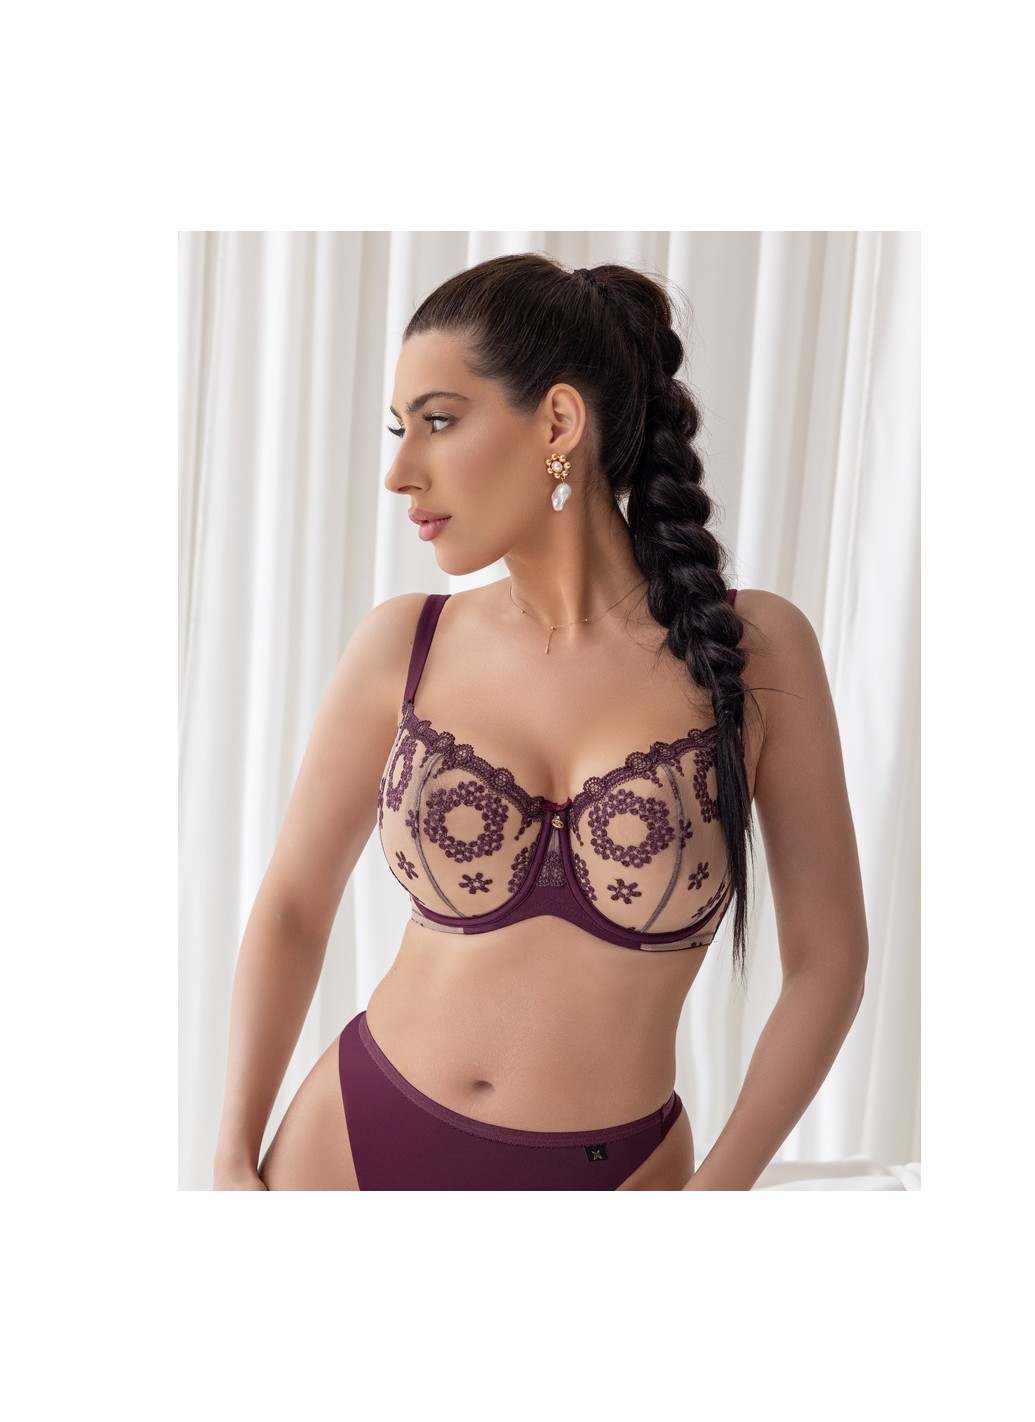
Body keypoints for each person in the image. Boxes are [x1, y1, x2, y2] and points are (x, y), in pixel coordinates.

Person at [212, 253, 869, 1191]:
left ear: (558, 421)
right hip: (349, 1140)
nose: (399, 472)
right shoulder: (405, 643)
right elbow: (291, 907)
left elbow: (829, 961)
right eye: (400, 429)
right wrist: (232, 1156)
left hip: (618, 1174)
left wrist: (716, 1197)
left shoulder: (754, 649)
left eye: (439, 421)